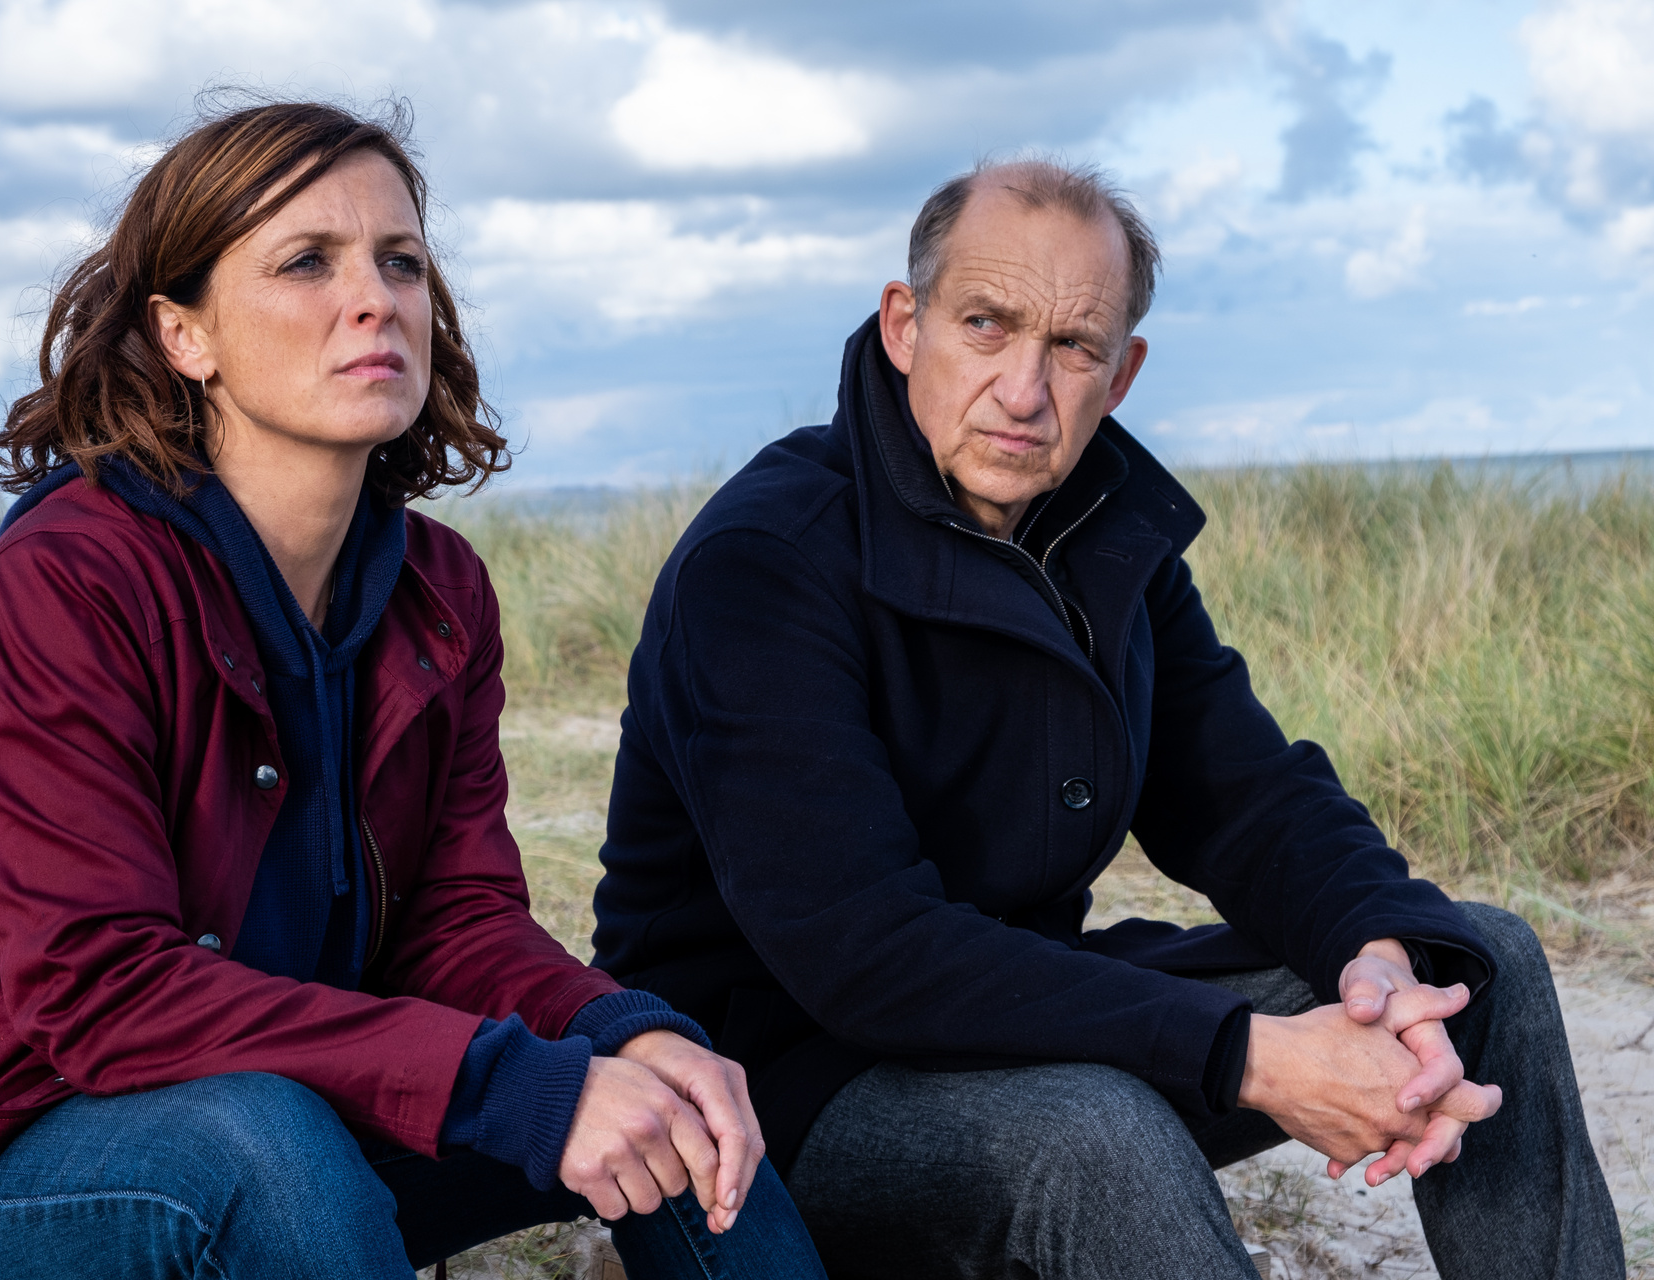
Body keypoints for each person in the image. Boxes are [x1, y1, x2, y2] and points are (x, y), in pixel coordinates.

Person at [0, 101, 828, 1280]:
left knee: (672, 1097)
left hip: (247, 1091)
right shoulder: (70, 583)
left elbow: (453, 920)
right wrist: (511, 1082)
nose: (376, 299)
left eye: (400, 261)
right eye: (307, 261)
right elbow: (100, 990)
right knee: (269, 1147)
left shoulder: (438, 593)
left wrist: (623, 1030)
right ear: (183, 335)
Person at [591, 156, 1624, 1279]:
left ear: (1122, 373)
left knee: (1474, 961)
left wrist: (1375, 955)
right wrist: (1253, 1056)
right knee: (1098, 1132)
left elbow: (1248, 797)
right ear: (904, 325)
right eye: (985, 324)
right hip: (767, 1088)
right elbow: (865, 952)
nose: (1023, 390)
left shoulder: (1100, 535)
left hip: (1011, 1018)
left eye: (1073, 346)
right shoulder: (765, 559)